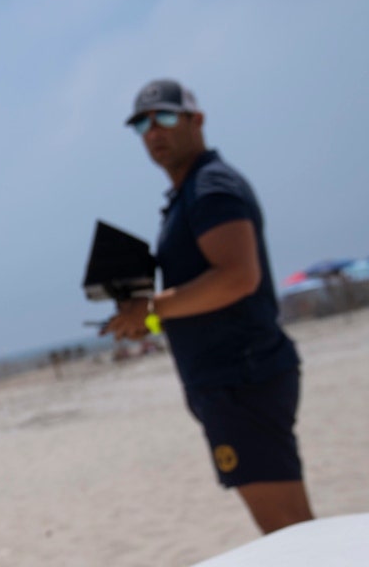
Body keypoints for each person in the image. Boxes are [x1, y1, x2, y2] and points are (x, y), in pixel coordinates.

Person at [104, 79, 314, 534]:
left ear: (196, 120)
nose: (152, 131)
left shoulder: (211, 187)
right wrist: (147, 317)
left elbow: (238, 277)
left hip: (242, 375)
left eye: (163, 116)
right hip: (233, 378)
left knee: (286, 528)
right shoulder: (189, 194)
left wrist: (150, 307)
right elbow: (208, 292)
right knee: (290, 525)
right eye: (141, 123)